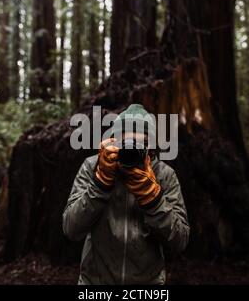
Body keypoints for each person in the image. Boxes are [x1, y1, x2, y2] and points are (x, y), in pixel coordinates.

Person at [63, 104, 189, 284]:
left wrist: (153, 199)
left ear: (151, 147)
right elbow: (71, 229)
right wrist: (100, 183)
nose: (133, 150)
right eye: (127, 143)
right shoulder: (93, 167)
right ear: (113, 142)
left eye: (142, 144)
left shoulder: (164, 175)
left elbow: (180, 240)